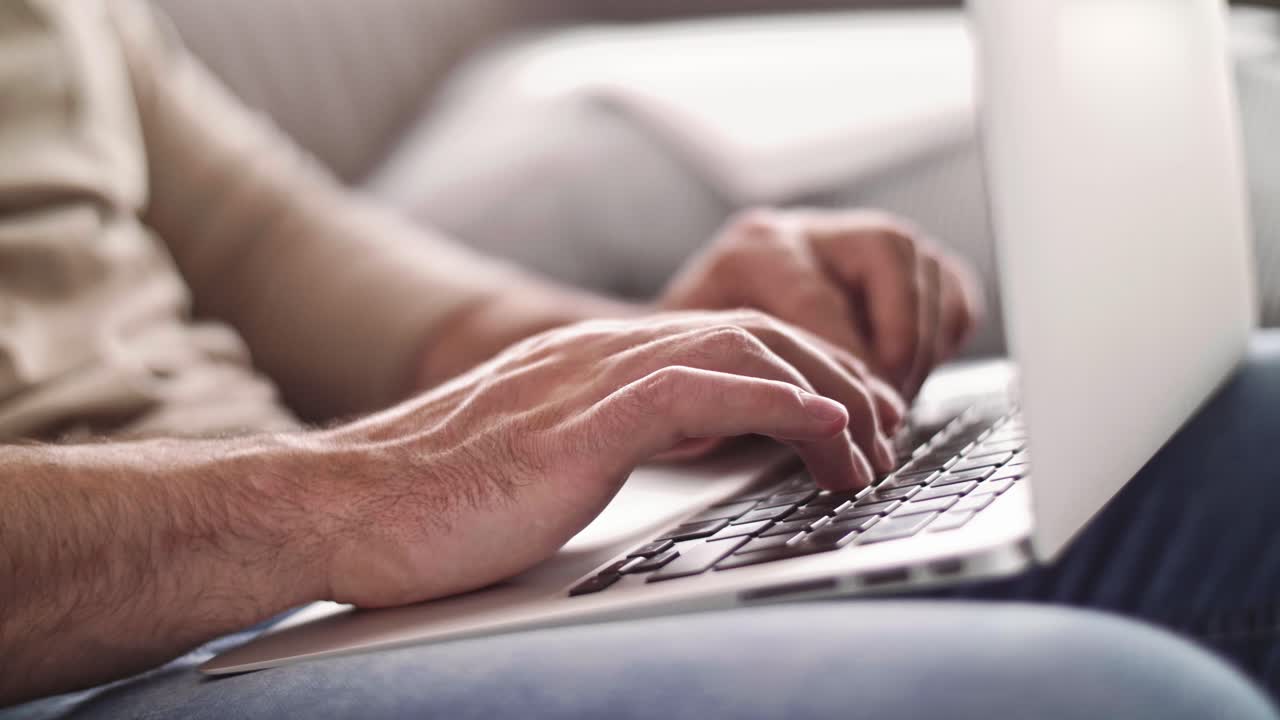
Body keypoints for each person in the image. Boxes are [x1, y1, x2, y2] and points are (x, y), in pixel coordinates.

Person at [1, 2, 1276, 718]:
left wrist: (659, 364)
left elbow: (294, 254)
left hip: (290, 593)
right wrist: (339, 498)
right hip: (105, 651)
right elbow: (350, 476)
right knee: (1102, 706)